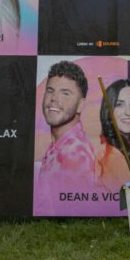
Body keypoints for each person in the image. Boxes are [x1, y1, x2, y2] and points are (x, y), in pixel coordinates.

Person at [36, 61, 96, 192]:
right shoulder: (60, 146)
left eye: (65, 93)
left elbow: (74, 210)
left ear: (80, 105)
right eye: (50, 91)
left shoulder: (74, 153)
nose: (54, 99)